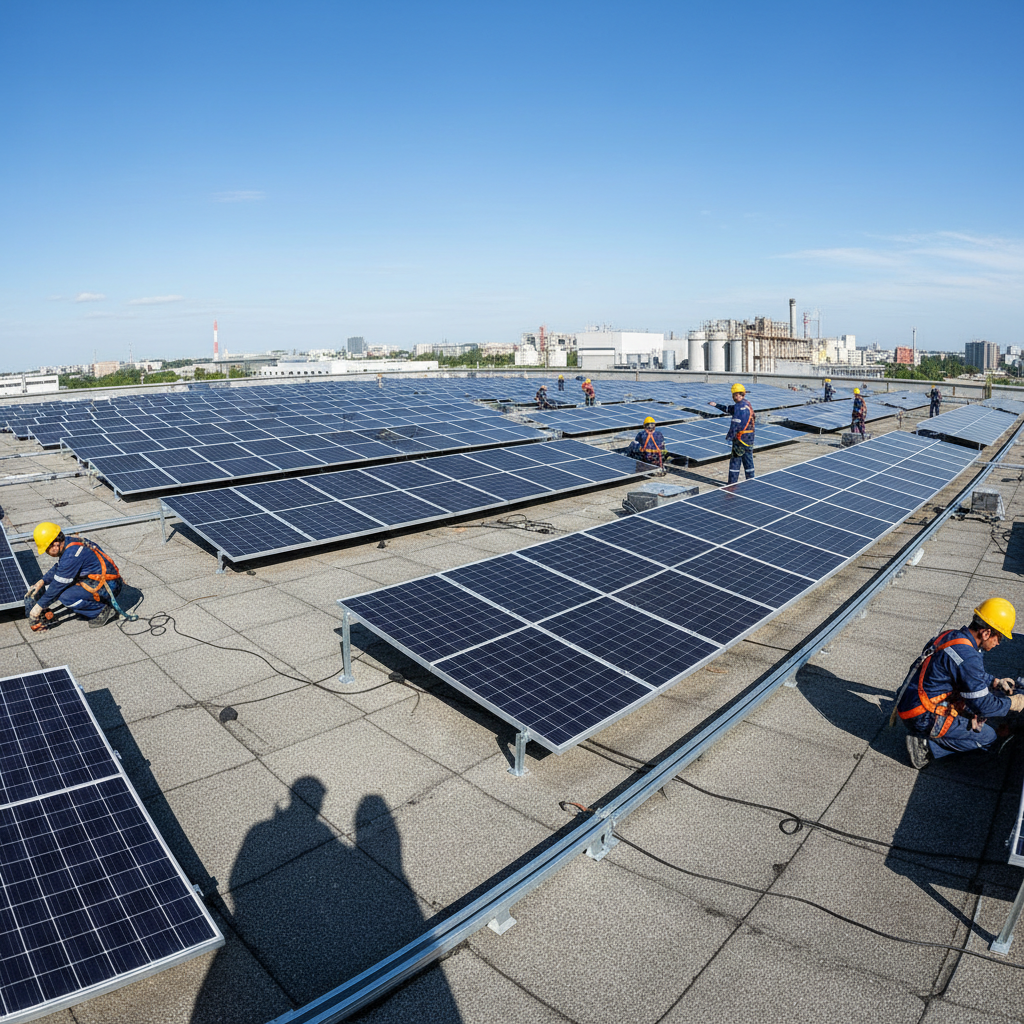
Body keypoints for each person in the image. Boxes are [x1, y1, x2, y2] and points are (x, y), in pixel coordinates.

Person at [896, 598, 1024, 769]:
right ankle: (926, 746)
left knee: (976, 710)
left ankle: (938, 732)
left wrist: (994, 681)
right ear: (986, 633)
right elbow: (983, 705)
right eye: (998, 636)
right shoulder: (968, 656)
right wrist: (1014, 703)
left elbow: (963, 671)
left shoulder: (951, 636)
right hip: (922, 714)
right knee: (988, 738)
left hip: (911, 701)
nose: (998, 643)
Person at [26, 522, 123, 629]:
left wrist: (38, 607)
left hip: (109, 586)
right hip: (105, 580)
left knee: (65, 596)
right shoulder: (69, 543)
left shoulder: (72, 555)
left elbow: (57, 585)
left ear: (55, 545)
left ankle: (101, 610)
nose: (47, 553)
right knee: (65, 586)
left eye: (46, 550)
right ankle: (91, 602)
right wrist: (42, 581)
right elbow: (59, 568)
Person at [709, 383, 755, 484]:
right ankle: (752, 483)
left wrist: (730, 437)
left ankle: (732, 484)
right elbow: (729, 409)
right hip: (749, 439)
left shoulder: (739, 407)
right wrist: (716, 405)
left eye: (735, 395)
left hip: (740, 440)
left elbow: (736, 423)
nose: (735, 397)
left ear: (739, 395)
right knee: (748, 461)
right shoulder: (747, 404)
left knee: (735, 461)